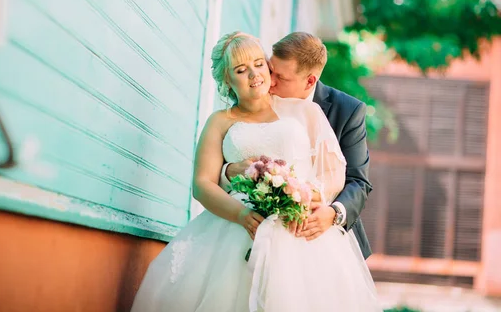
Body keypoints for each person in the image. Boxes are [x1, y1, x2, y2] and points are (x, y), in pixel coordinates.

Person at [130, 32, 380, 312]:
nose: (262, 77)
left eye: (261, 65)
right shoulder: (220, 121)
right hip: (235, 228)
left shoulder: (306, 111)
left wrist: (314, 200)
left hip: (302, 228)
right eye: (241, 69)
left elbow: (343, 175)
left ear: (308, 81)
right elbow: (203, 183)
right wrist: (236, 192)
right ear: (227, 80)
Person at [221, 32, 373, 259]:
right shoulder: (255, 97)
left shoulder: (348, 111)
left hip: (318, 233)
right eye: (271, 70)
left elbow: (358, 181)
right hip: (249, 227)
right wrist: (229, 170)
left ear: (310, 81)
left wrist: (333, 213)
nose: (270, 81)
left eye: (281, 77)